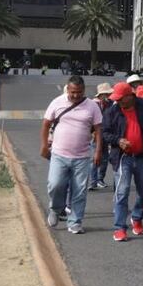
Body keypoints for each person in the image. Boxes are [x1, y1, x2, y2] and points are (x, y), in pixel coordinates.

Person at [41, 75, 104, 235]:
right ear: (67, 89)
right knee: (55, 185)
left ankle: (75, 222)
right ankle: (55, 209)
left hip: (82, 157)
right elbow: (46, 124)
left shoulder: (92, 106)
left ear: (84, 90)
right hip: (59, 154)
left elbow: (98, 130)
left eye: (80, 92)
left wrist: (97, 151)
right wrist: (44, 146)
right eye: (73, 92)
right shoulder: (57, 102)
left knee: (79, 191)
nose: (76, 95)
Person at [103, 82, 143, 242]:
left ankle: (137, 216)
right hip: (123, 158)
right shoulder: (112, 111)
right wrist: (118, 140)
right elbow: (105, 133)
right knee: (122, 191)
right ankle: (120, 228)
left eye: (121, 98)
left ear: (130, 96)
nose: (119, 101)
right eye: (117, 99)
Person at [88, 82, 114, 191]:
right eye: (105, 94)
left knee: (105, 159)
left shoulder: (110, 104)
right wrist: (91, 132)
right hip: (95, 135)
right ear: (100, 95)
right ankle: (93, 182)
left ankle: (100, 179)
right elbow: (89, 120)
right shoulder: (93, 105)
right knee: (94, 159)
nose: (107, 96)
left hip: (106, 135)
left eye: (108, 94)